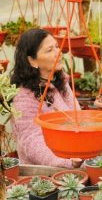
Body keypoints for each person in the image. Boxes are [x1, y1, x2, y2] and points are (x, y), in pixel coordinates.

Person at [11, 28, 82, 168]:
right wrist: (68, 162)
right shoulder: (24, 96)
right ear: (32, 61)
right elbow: (32, 141)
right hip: (45, 174)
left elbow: (77, 117)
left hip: (74, 162)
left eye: (57, 46)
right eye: (50, 50)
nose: (58, 52)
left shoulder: (59, 82)